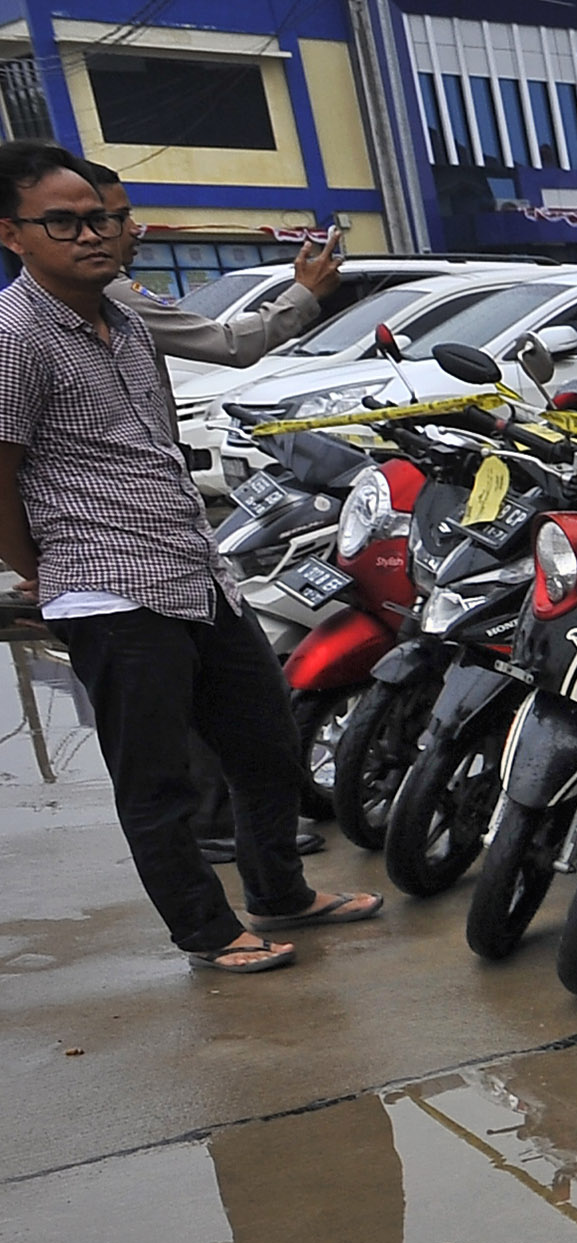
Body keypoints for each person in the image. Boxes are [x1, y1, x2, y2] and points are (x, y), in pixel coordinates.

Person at [0, 144, 379, 970]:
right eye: (63, 222)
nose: (93, 235)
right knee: (160, 782)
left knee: (265, 745)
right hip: (108, 586)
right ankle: (208, 932)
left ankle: (281, 892)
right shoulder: (14, 337)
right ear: (13, 234)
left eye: (100, 218)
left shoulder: (127, 315)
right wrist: (45, 570)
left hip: (195, 568)